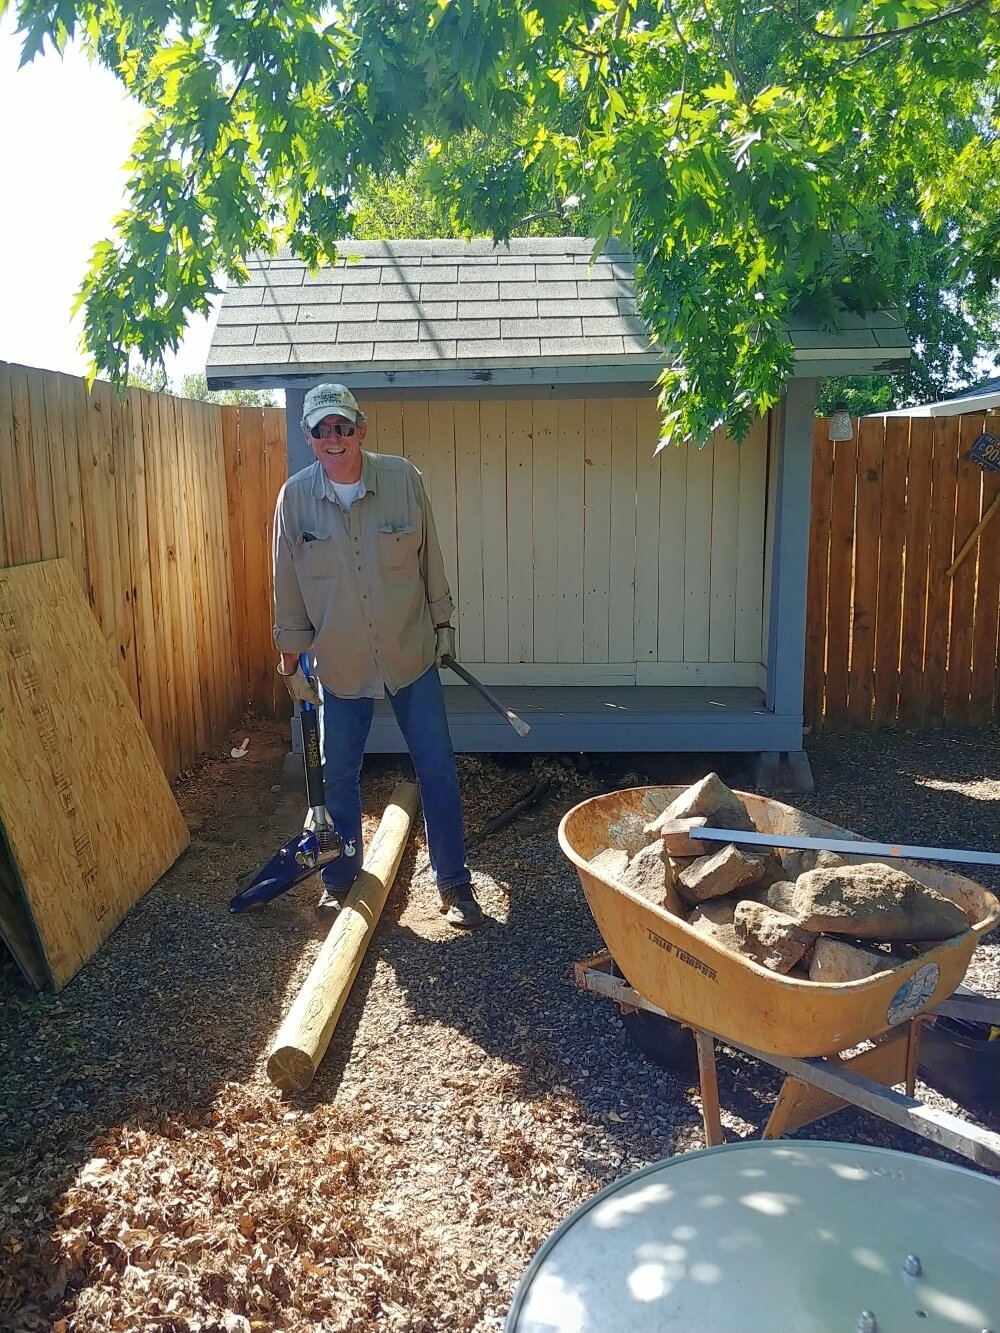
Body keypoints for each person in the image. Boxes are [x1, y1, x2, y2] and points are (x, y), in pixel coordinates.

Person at [272, 382, 483, 929]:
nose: (333, 438)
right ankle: (340, 880)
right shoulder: (294, 500)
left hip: (408, 652)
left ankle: (454, 882)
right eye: (322, 430)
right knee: (338, 774)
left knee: (437, 767)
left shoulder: (402, 480)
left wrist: (443, 620)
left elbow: (429, 555)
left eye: (343, 427)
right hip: (340, 664)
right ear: (309, 437)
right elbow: (287, 585)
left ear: (361, 429)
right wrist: (290, 661)